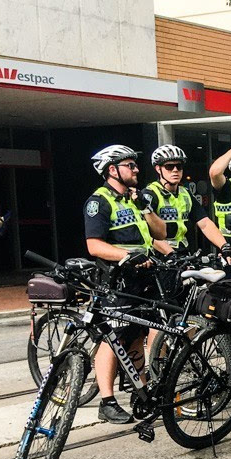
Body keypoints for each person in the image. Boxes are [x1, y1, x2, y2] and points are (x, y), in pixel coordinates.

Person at [84, 145, 173, 424]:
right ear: (112, 170)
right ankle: (107, 401)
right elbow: (94, 245)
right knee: (113, 338)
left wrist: (145, 206)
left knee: (136, 334)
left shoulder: (134, 200)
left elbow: (160, 232)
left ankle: (139, 390)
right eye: (130, 165)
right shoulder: (99, 202)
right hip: (116, 280)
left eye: (135, 165)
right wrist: (128, 256)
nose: (136, 170)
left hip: (142, 279)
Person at [142, 145, 228, 254]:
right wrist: (171, 254)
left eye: (179, 166)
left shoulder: (185, 193)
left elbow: (205, 223)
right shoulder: (149, 194)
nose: (175, 170)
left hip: (183, 253)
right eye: (169, 167)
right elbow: (147, 233)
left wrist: (224, 246)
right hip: (159, 256)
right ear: (158, 169)